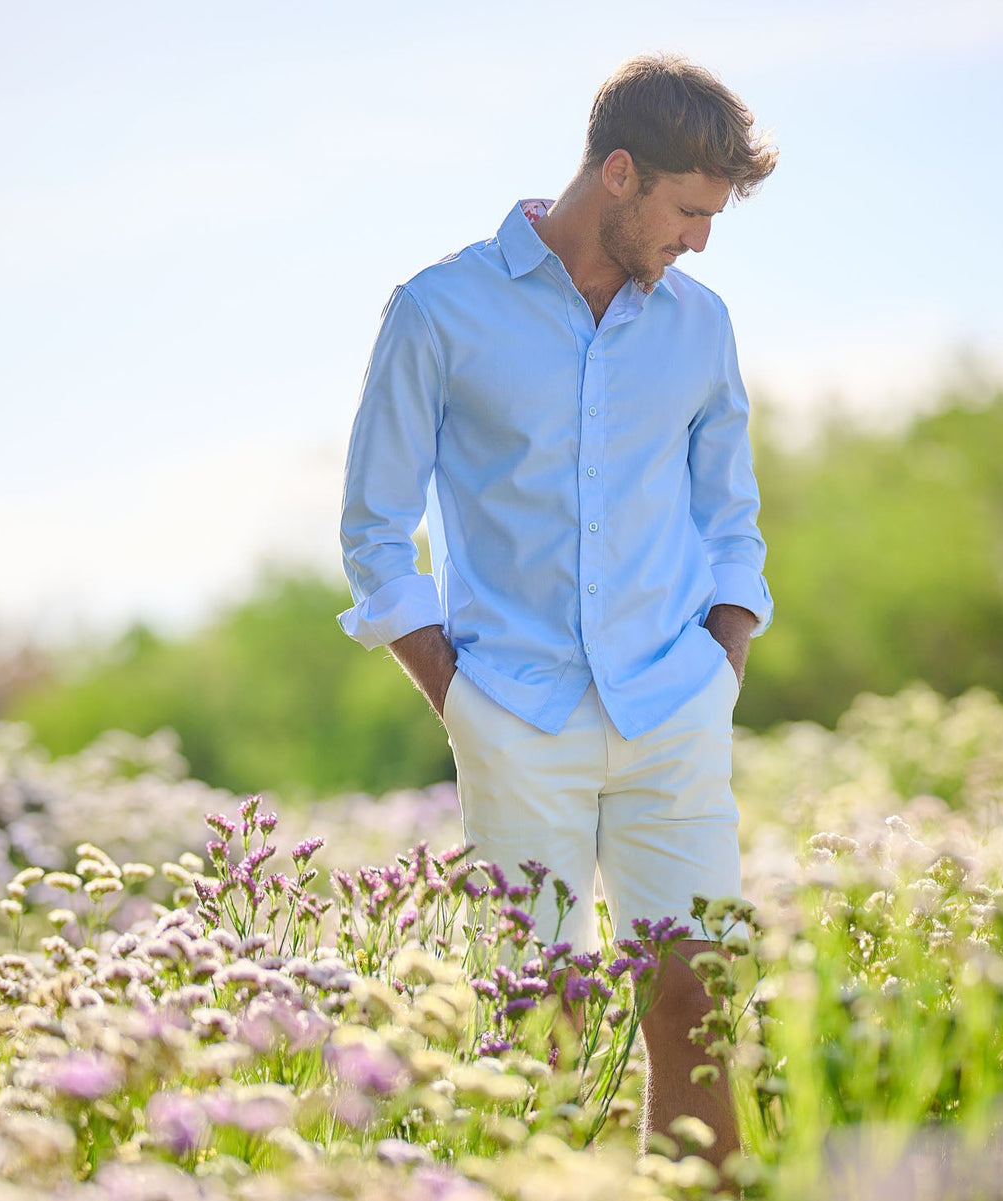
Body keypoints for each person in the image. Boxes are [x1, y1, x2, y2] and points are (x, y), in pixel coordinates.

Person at [338, 52, 777, 1168]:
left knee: (702, 1006)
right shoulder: (438, 310)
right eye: (689, 211)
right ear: (619, 175)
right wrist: (462, 701)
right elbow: (376, 534)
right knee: (540, 1018)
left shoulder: (700, 325)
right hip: (514, 716)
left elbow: (732, 521)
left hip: (673, 707)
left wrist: (721, 663)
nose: (700, 240)